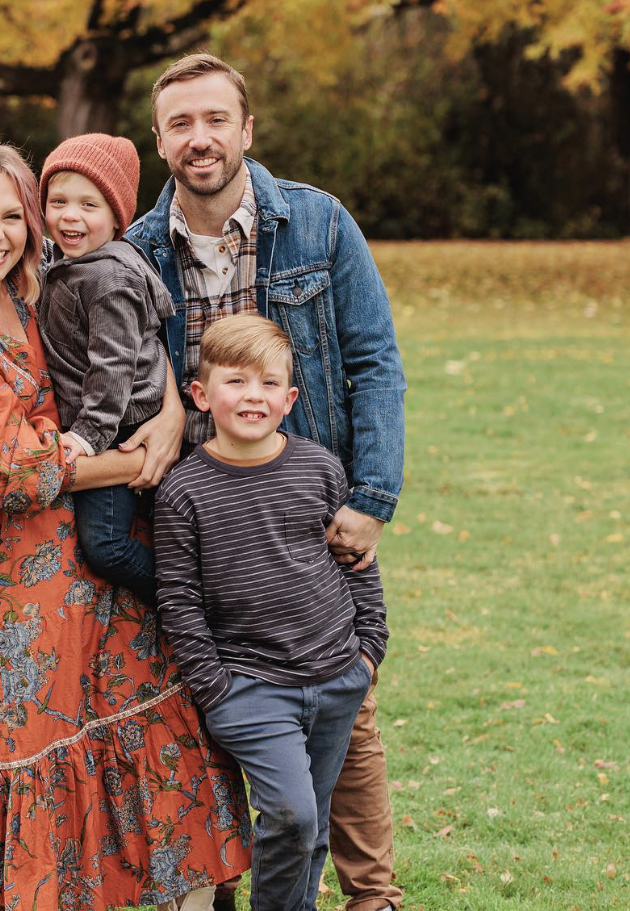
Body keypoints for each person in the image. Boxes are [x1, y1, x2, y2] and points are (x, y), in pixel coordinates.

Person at [0, 143, 251, 911]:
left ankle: (181, 893)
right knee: (43, 742)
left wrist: (173, 414)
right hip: (23, 576)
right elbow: (8, 473)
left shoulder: (33, 296)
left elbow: (127, 362)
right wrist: (132, 462)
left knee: (150, 706)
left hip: (102, 548)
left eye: (13, 216)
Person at [123, 53, 407, 911]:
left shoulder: (317, 224)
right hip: (196, 506)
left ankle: (371, 896)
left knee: (342, 713)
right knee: (209, 701)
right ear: (160, 139)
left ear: (247, 130)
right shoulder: (138, 252)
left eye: (215, 120)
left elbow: (374, 361)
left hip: (303, 492)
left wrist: (370, 498)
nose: (199, 139)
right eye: (181, 124)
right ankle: (211, 884)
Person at [154, 315, 389, 911]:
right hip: (251, 687)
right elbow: (178, 598)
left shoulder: (318, 467)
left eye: (267, 385)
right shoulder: (184, 489)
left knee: (309, 828)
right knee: (291, 812)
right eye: (235, 382)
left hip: (336, 675)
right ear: (201, 395)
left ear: (289, 398)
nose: (251, 397)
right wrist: (215, 687)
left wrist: (368, 651)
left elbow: (356, 559)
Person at [37, 132, 174, 604]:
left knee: (108, 548)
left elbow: (113, 364)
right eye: (58, 201)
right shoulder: (68, 258)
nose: (70, 216)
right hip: (105, 420)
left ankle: (190, 598)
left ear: (117, 218)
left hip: (118, 426)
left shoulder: (108, 278)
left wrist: (88, 436)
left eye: (89, 205)